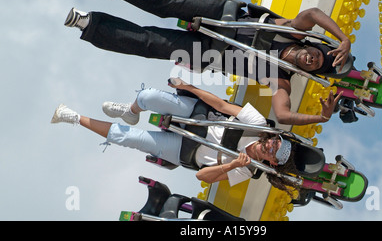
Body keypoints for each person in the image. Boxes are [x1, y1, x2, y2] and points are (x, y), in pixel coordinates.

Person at [64, 0, 347, 125]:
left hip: (209, 53)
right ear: (312, 45)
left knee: (152, 43)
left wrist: (321, 118)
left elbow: (283, 115)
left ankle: (89, 24)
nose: (312, 58)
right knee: (165, 1)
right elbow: (311, 13)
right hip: (222, 16)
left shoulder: (280, 77)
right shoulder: (292, 31)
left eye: (315, 64)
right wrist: (342, 39)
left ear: (309, 71)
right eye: (315, 53)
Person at [51, 77, 301, 194]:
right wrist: (188, 87)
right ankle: (131, 111)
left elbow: (204, 177)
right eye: (274, 142)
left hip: (186, 148)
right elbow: (223, 106)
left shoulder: (246, 171)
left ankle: (73, 117)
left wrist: (233, 164)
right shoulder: (258, 125)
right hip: (198, 118)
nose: (268, 145)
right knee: (147, 96)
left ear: (272, 162)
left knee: (127, 138)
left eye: (272, 151)